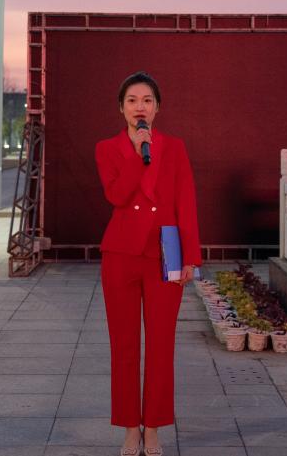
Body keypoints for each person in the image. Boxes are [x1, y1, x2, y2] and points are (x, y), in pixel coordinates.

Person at [95, 71, 202, 456]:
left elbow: (186, 201)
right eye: (132, 100)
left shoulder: (174, 148)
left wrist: (191, 257)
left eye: (147, 100)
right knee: (124, 347)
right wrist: (139, 156)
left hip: (164, 256)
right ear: (121, 108)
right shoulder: (107, 148)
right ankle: (129, 428)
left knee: (160, 347)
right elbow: (117, 196)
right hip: (121, 256)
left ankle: (153, 428)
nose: (139, 107)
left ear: (157, 108)